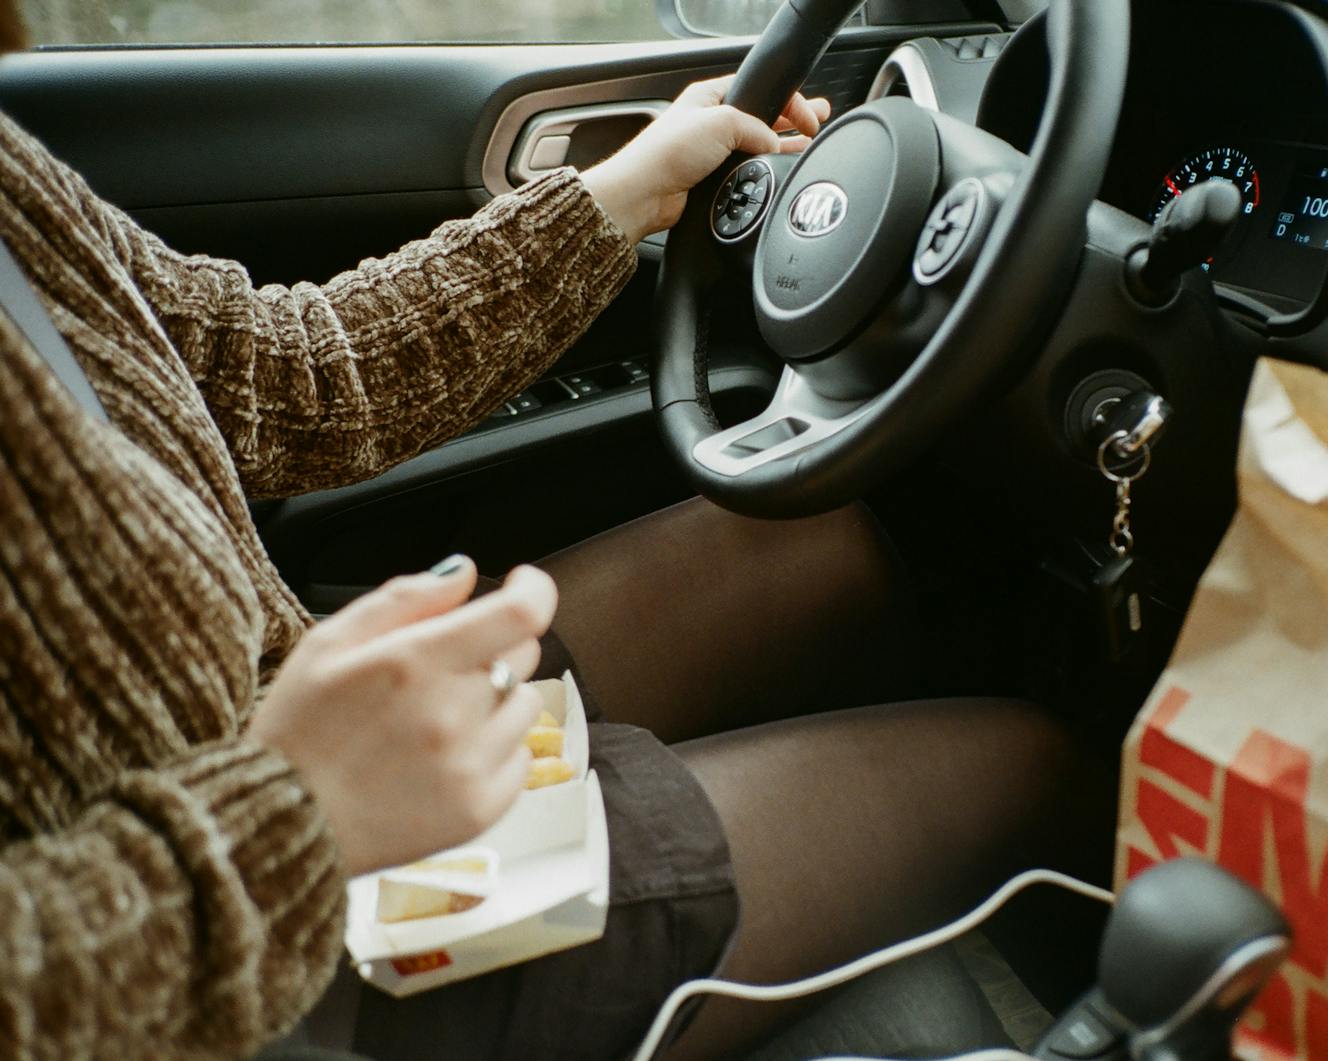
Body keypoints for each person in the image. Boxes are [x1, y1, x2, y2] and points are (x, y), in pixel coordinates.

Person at [0, 6, 1113, 1059]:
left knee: (828, 548)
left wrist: (618, 196)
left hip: (266, 703)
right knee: (1047, 761)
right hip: (262, 944)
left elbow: (274, 373)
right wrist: (291, 815)